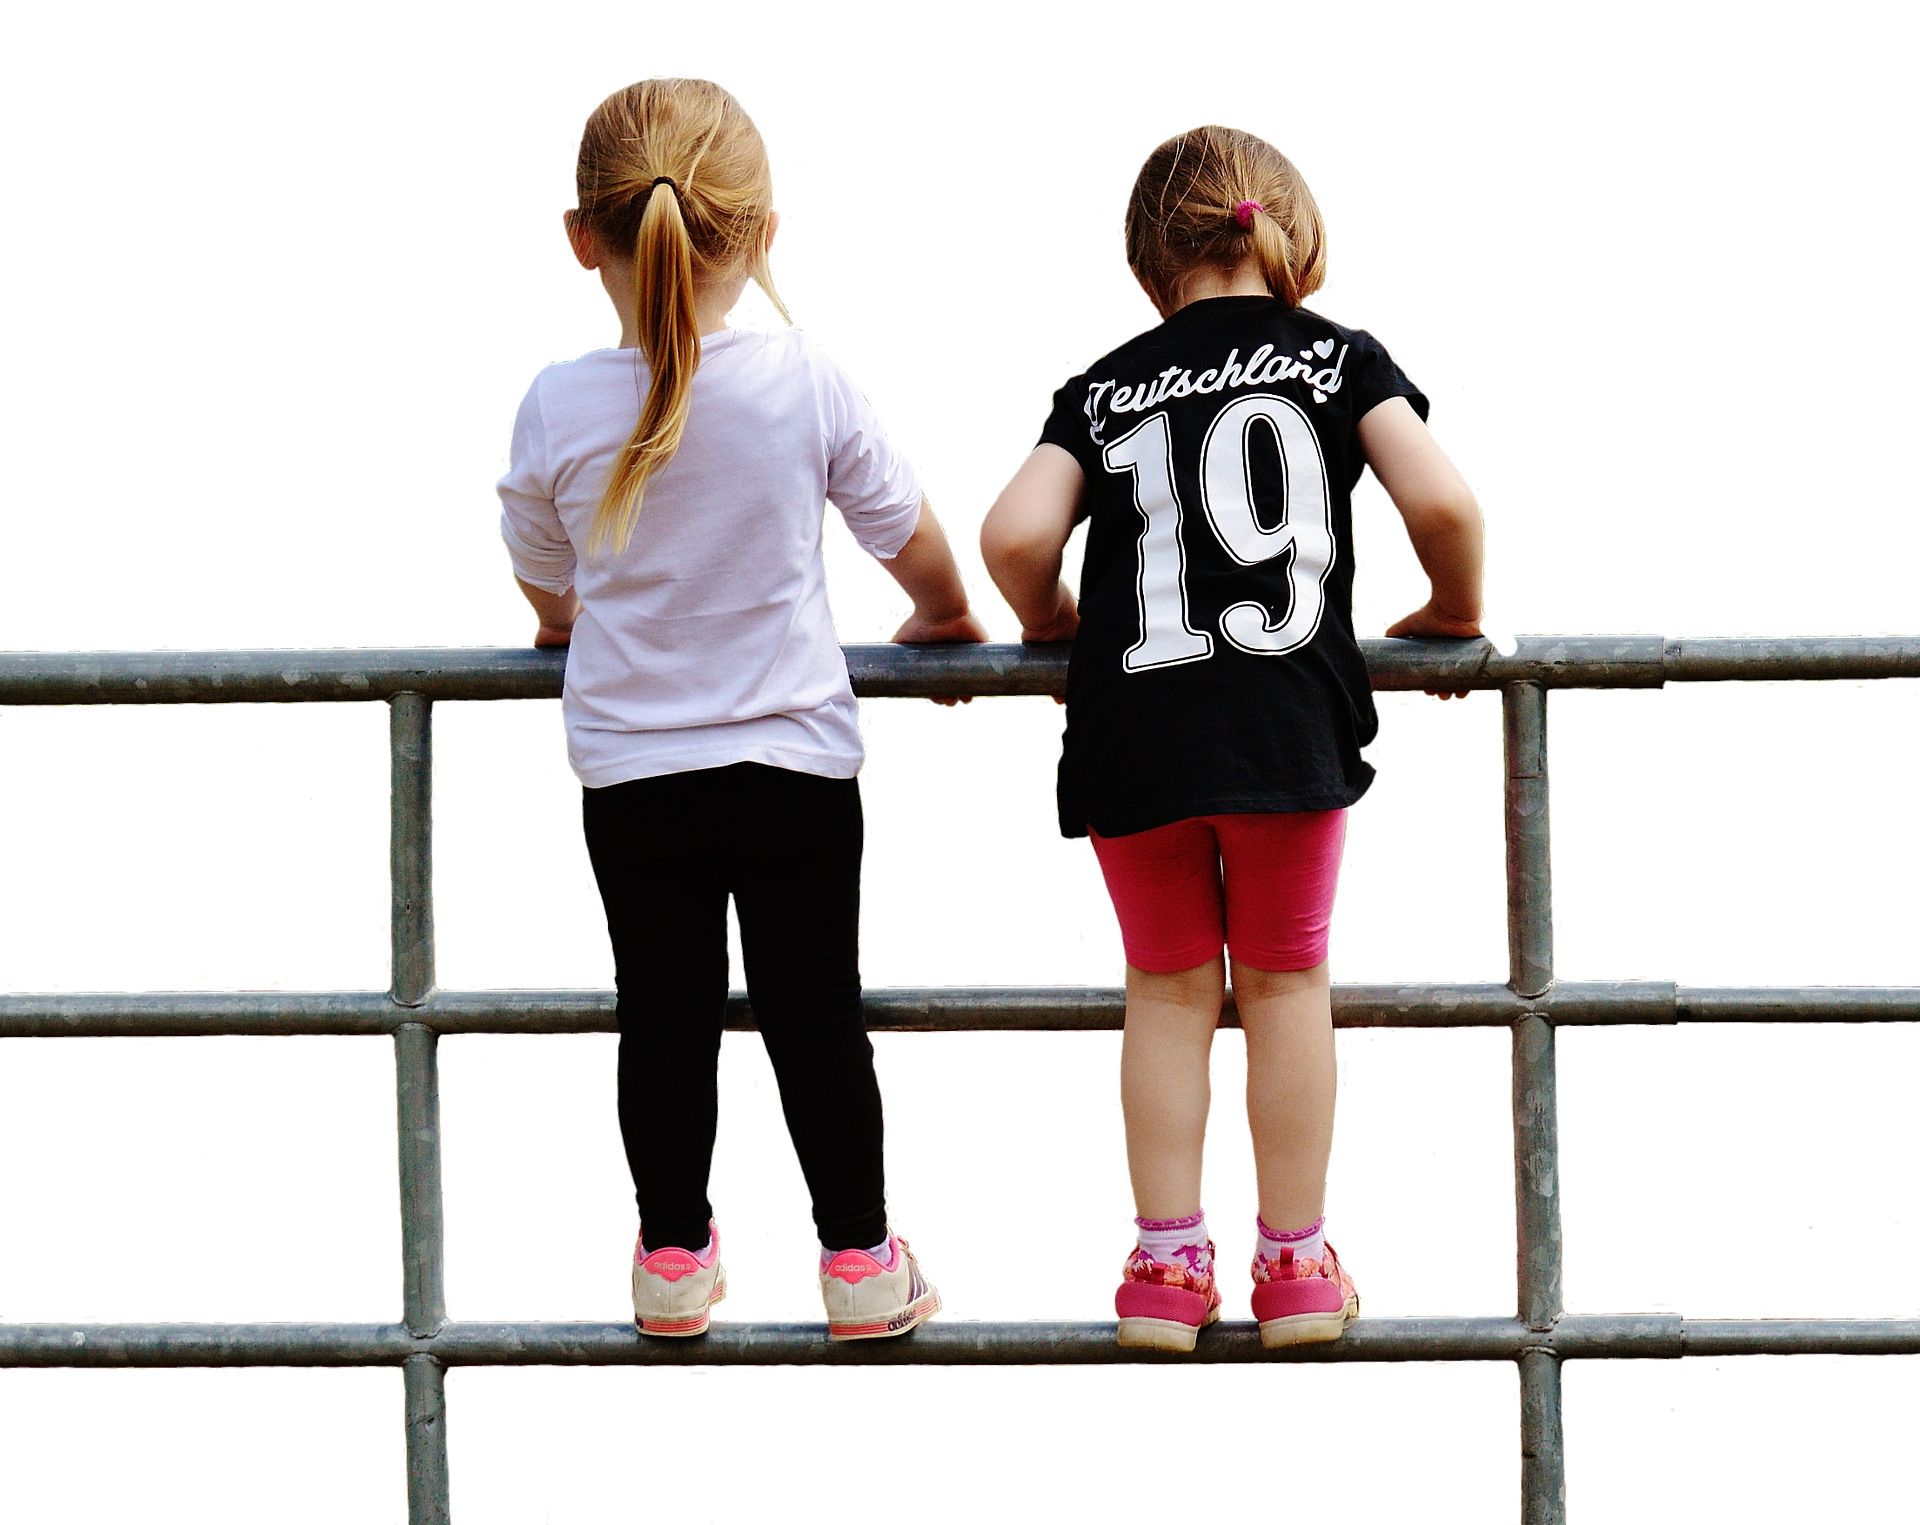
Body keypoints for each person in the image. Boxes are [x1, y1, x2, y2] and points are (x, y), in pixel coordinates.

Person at [494, 75, 989, 1341]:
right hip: (793, 761)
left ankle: (669, 1259)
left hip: (632, 770)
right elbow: (902, 527)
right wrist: (942, 615)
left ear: (580, 237)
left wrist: (560, 626)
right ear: (765, 234)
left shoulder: (556, 401)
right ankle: (861, 1263)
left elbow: (541, 571)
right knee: (813, 1006)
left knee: (660, 1009)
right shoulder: (802, 376)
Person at [977, 124, 1486, 1352]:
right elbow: (1445, 503)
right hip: (1286, 721)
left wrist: (1052, 622)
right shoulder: (1340, 360)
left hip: (1132, 724)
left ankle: (1163, 1265)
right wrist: (1455, 614)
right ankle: (1296, 1260)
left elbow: (1009, 540)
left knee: (1165, 986)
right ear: (1288, 232)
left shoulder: (1100, 387)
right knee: (1286, 978)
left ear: (1147, 264)